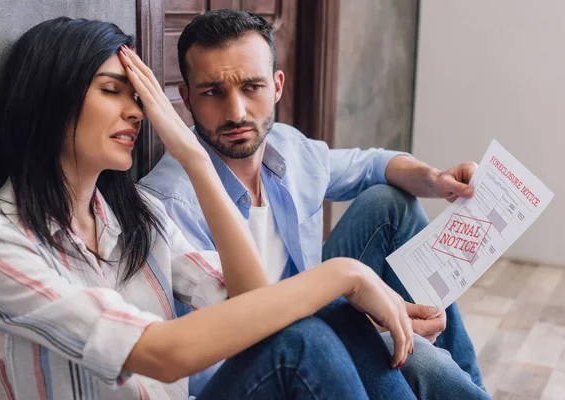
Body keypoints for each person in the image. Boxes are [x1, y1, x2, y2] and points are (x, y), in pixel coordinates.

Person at [0, 17, 490, 400]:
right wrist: (347, 276)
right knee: (309, 340)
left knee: (338, 315)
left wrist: (196, 157)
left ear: (274, 87)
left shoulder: (129, 218)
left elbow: (254, 300)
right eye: (112, 91)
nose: (137, 113)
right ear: (52, 98)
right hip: (207, 373)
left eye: (140, 98)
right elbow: (163, 353)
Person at [140, 8, 485, 392]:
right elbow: (226, 345)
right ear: (186, 98)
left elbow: (370, 164)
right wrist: (362, 324)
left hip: (318, 316)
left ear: (277, 86)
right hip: (262, 365)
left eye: (252, 87)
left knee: (390, 204)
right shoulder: (172, 203)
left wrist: (435, 179)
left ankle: (469, 379)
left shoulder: (289, 147)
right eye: (212, 92)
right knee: (421, 362)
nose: (235, 112)